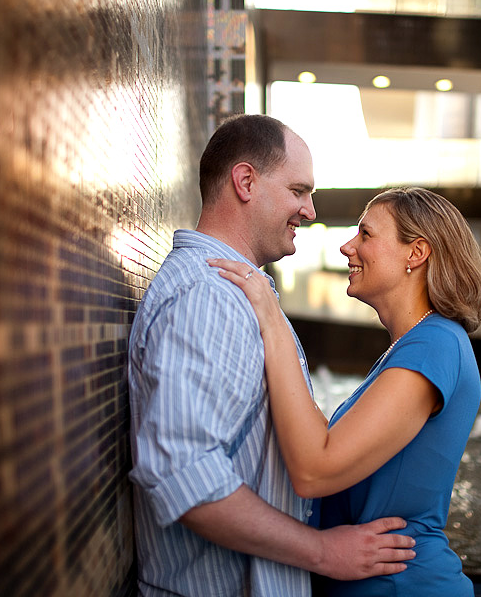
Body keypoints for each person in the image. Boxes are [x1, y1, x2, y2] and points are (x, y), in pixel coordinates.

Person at [127, 114, 417, 597]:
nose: (309, 211)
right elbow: (181, 472)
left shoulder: (233, 290)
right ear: (245, 182)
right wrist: (324, 551)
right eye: (299, 190)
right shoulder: (210, 298)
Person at [211, 186, 481, 596]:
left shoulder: (437, 345)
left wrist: (272, 322)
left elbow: (314, 469)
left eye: (365, 235)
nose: (347, 247)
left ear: (416, 253)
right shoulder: (412, 346)